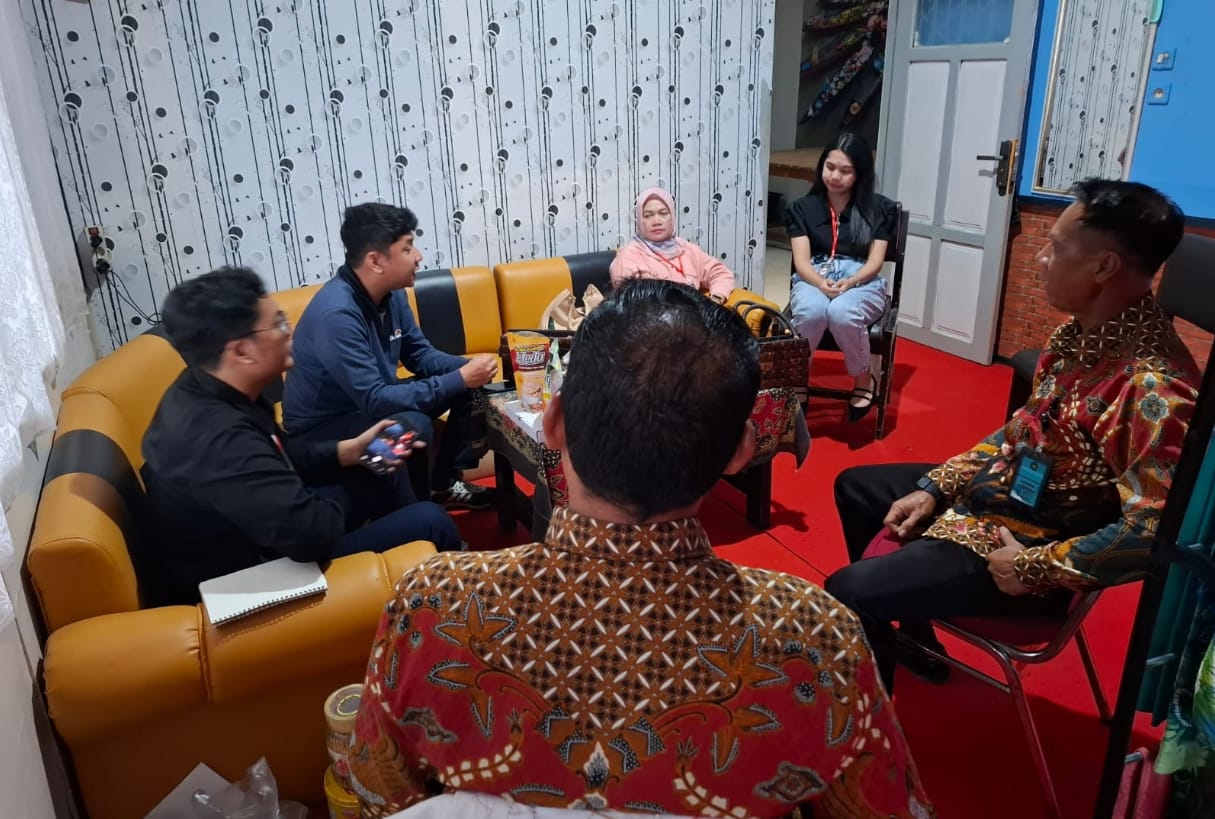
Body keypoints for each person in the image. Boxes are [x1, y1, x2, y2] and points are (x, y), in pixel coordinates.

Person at [348, 280, 932, 818]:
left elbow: (381, 794)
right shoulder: (815, 637)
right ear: (741, 452)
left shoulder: (433, 606)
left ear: (553, 425)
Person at [824, 179, 1201, 692]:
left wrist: (1034, 569)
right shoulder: (1078, 332)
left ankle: (874, 712)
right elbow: (1023, 427)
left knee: (846, 590)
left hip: (1028, 548)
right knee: (857, 487)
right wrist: (938, 485)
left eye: (1056, 248)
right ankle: (912, 634)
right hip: (1004, 497)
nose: (1041, 260)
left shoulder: (1155, 388)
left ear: (1104, 266)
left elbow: (1156, 529)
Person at [139, 267, 462, 607]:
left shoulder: (206, 386)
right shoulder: (220, 438)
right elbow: (311, 537)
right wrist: (339, 496)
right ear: (241, 352)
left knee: (383, 462)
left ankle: (415, 580)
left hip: (266, 532)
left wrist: (349, 452)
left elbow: (279, 452)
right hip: (243, 581)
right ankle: (452, 596)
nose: (289, 331)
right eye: (279, 324)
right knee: (430, 521)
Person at [281, 203, 499, 510]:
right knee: (411, 425)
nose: (418, 256)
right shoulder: (337, 314)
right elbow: (374, 400)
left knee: (469, 388)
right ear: (375, 261)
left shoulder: (392, 293)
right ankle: (416, 513)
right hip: (324, 429)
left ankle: (441, 486)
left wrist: (468, 369)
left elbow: (420, 355)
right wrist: (459, 378)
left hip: (368, 403)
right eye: (407, 248)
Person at [784, 131, 898, 422]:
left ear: (860, 173)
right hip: (814, 275)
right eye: (830, 167)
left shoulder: (879, 209)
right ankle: (799, 379)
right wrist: (819, 282)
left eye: (845, 171)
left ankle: (863, 379)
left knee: (842, 312)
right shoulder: (802, 208)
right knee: (811, 311)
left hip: (862, 279)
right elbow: (801, 261)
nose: (835, 176)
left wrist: (851, 281)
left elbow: (875, 262)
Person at [609, 187, 736, 303]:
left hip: (693, 315)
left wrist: (716, 299)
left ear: (672, 217)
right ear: (639, 222)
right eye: (648, 216)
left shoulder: (686, 249)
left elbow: (720, 273)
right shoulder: (629, 257)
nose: (657, 221)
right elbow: (628, 305)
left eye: (663, 213)